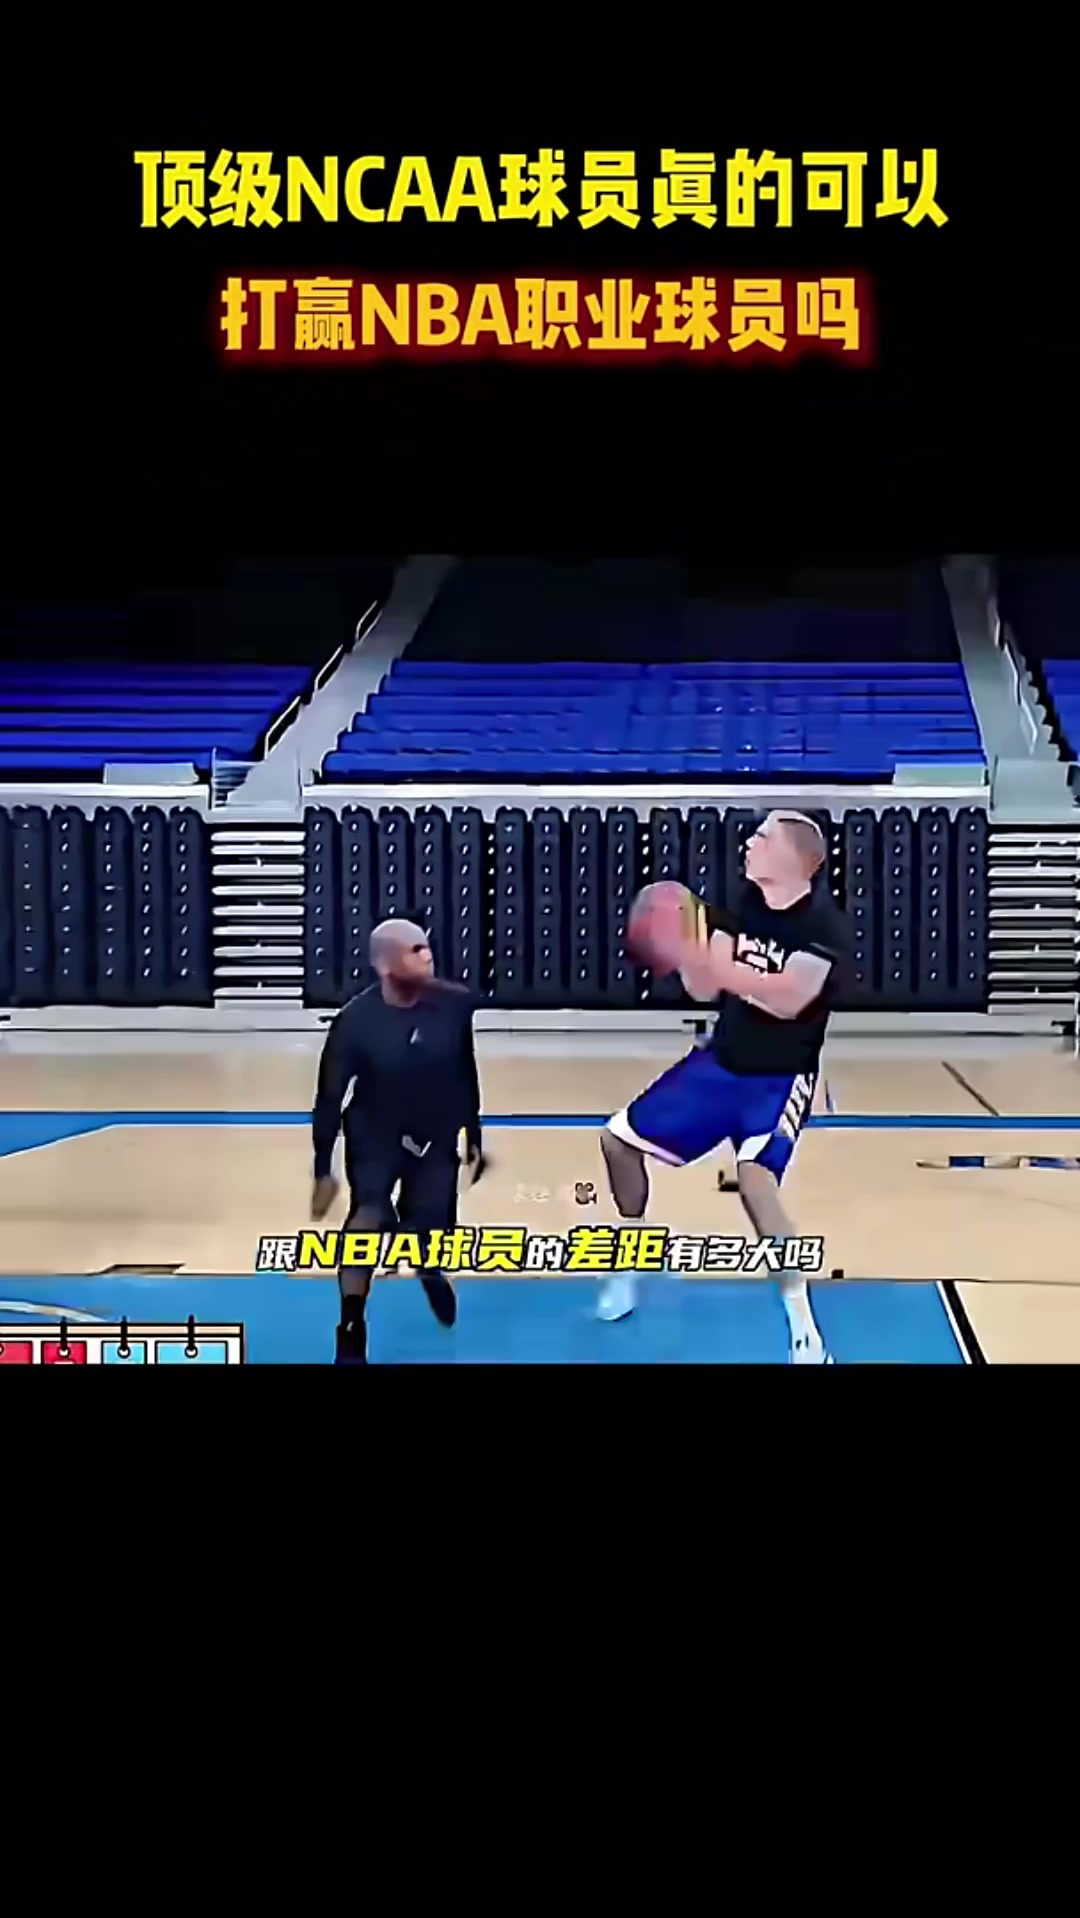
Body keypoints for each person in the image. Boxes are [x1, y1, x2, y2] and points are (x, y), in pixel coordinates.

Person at [598, 812, 852, 1364]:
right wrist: (688, 952)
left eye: (763, 837)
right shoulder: (741, 900)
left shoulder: (825, 927)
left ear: (796, 858)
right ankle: (630, 1260)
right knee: (616, 1141)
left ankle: (805, 1331)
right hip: (720, 1064)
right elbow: (703, 990)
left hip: (780, 1080)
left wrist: (720, 963)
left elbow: (788, 1001)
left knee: (756, 1184)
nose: (749, 842)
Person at [311, 918, 485, 1364]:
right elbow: (329, 1097)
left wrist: (473, 1132)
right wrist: (322, 1169)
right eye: (415, 950)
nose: (428, 956)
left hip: (435, 1132)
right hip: (376, 1133)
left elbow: (465, 1070)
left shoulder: (454, 1006)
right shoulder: (355, 1021)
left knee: (433, 1228)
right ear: (386, 964)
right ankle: (351, 1323)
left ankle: (427, 1266)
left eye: (427, 947)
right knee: (367, 1216)